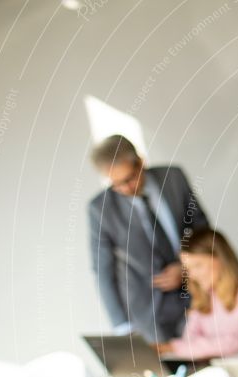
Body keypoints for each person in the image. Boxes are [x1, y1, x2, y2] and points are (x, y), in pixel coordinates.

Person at [88, 135, 209, 343]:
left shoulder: (174, 178)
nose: (125, 189)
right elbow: (103, 270)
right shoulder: (100, 209)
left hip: (197, 295)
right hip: (147, 313)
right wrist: (122, 326)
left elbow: (202, 229)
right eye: (116, 184)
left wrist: (186, 268)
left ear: (141, 162)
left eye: (129, 179)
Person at [156, 228, 238, 359]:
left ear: (220, 259)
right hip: (218, 368)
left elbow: (233, 342)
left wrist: (171, 347)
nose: (192, 275)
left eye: (198, 266)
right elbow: (189, 341)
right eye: (188, 269)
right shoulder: (204, 294)